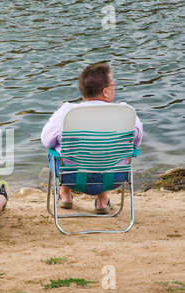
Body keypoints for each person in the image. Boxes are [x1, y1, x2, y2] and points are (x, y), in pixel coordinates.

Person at [41, 63, 143, 214]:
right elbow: (136, 142)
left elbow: (46, 141)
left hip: (72, 178)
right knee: (105, 152)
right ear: (106, 91)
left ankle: (65, 195)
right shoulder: (127, 113)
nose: (114, 87)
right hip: (114, 177)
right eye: (113, 84)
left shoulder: (66, 112)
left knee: (55, 151)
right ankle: (102, 201)